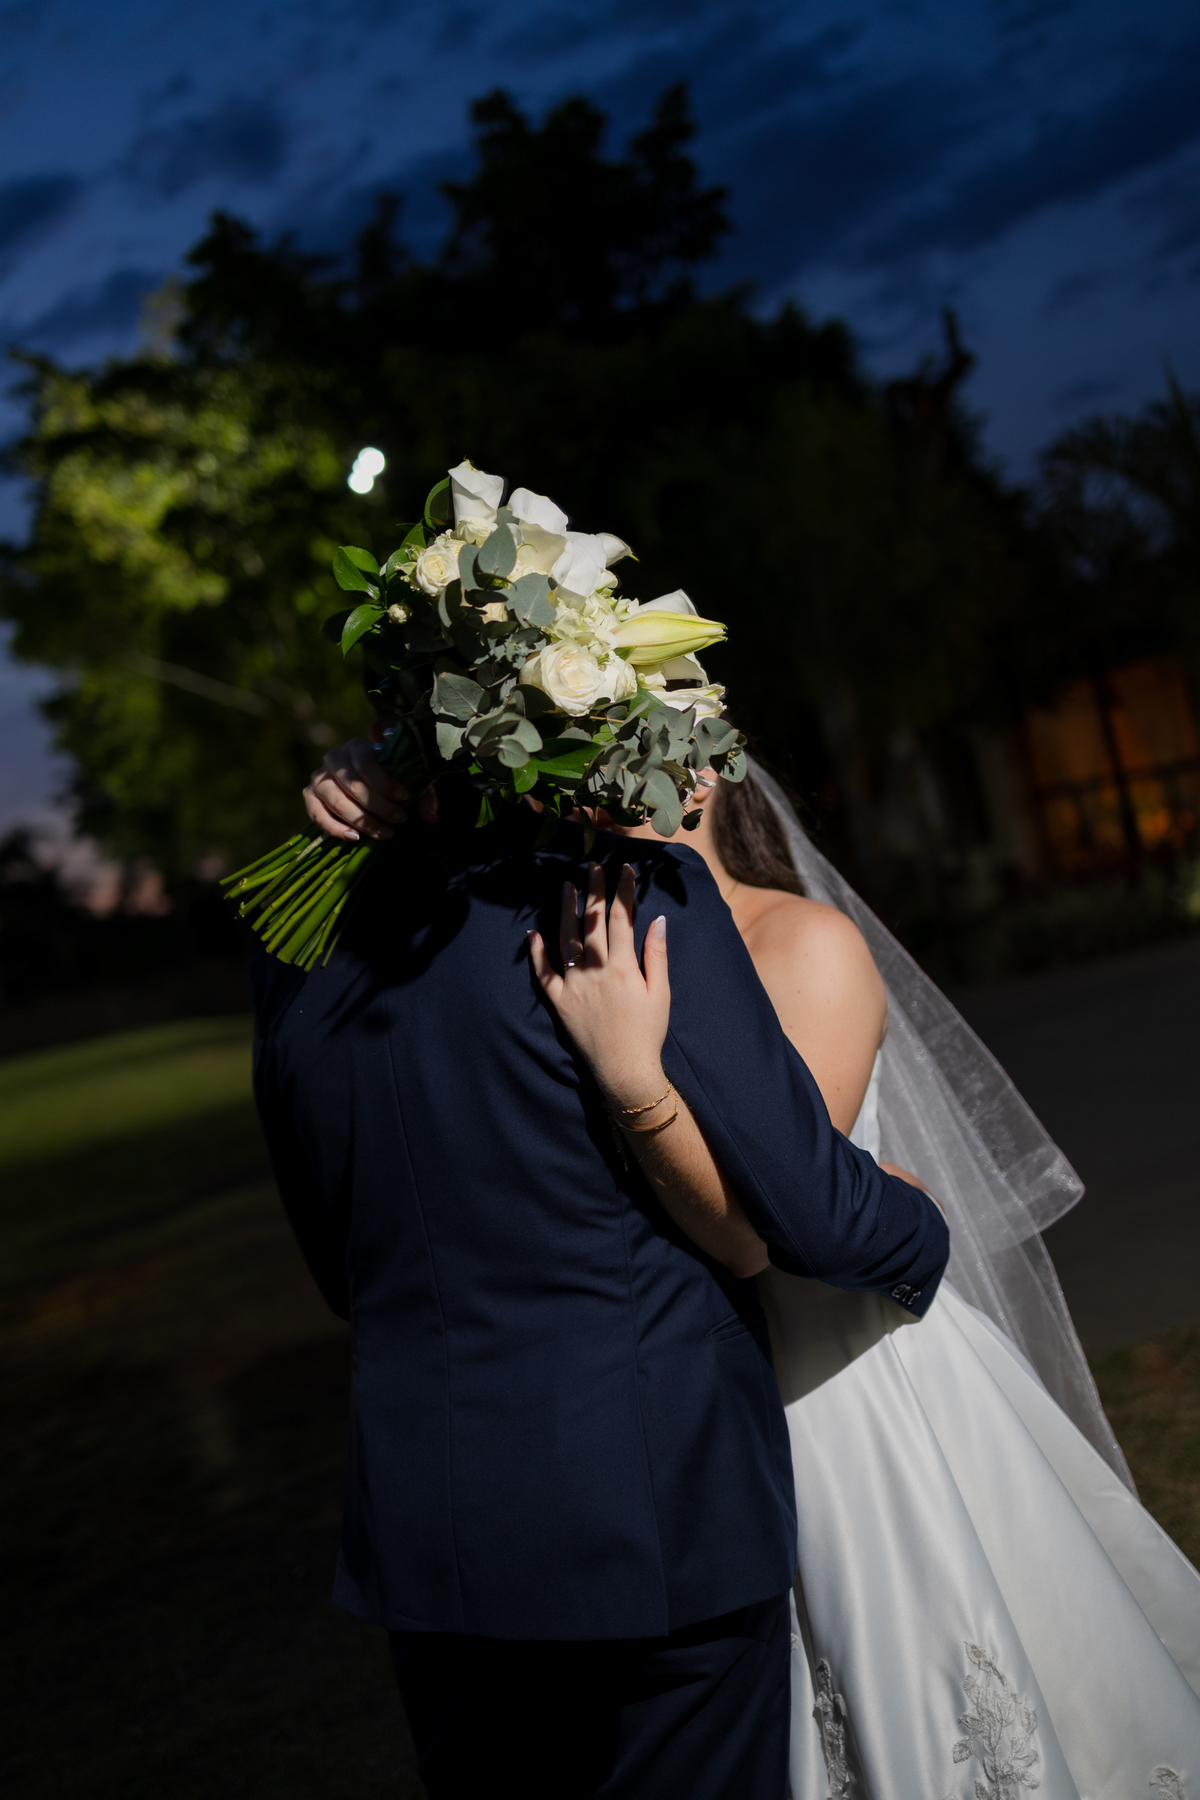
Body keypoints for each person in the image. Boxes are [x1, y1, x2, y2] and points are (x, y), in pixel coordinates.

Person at [304, 733, 1200, 1797]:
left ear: (709, 766)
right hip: (698, 1403)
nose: (606, 784)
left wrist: (636, 1078)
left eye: (636, 749)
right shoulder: (578, 935)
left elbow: (782, 1227)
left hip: (837, 1380)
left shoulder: (802, 942)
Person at [253, 733, 948, 1800]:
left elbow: (339, 1270)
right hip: (649, 1515)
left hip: (431, 1544)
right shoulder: (621, 901)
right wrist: (919, 1226)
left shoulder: (296, 929)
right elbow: (811, 1214)